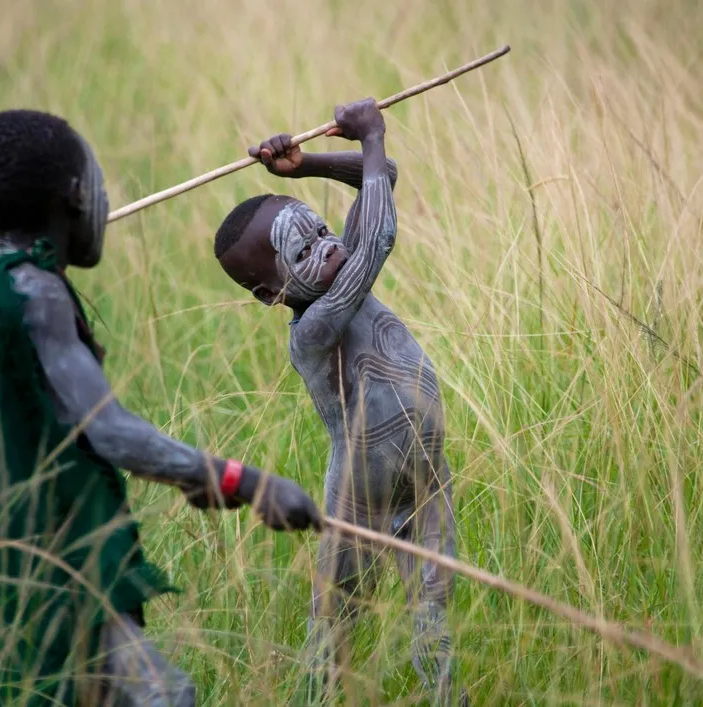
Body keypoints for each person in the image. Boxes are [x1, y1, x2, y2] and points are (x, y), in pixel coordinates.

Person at [0, 108, 323, 707]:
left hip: (9, 572)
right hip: (47, 575)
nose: (106, 199)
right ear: (73, 197)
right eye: (98, 181)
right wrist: (244, 481)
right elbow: (111, 431)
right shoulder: (34, 292)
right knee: (164, 698)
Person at [212, 98, 464, 705]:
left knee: (432, 598)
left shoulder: (335, 265)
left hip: (422, 466)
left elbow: (385, 179)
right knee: (339, 615)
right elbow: (378, 231)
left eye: (322, 231)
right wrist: (370, 133)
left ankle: (445, 696)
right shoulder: (314, 326)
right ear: (273, 294)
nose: (327, 249)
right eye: (303, 253)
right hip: (362, 485)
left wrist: (305, 168)